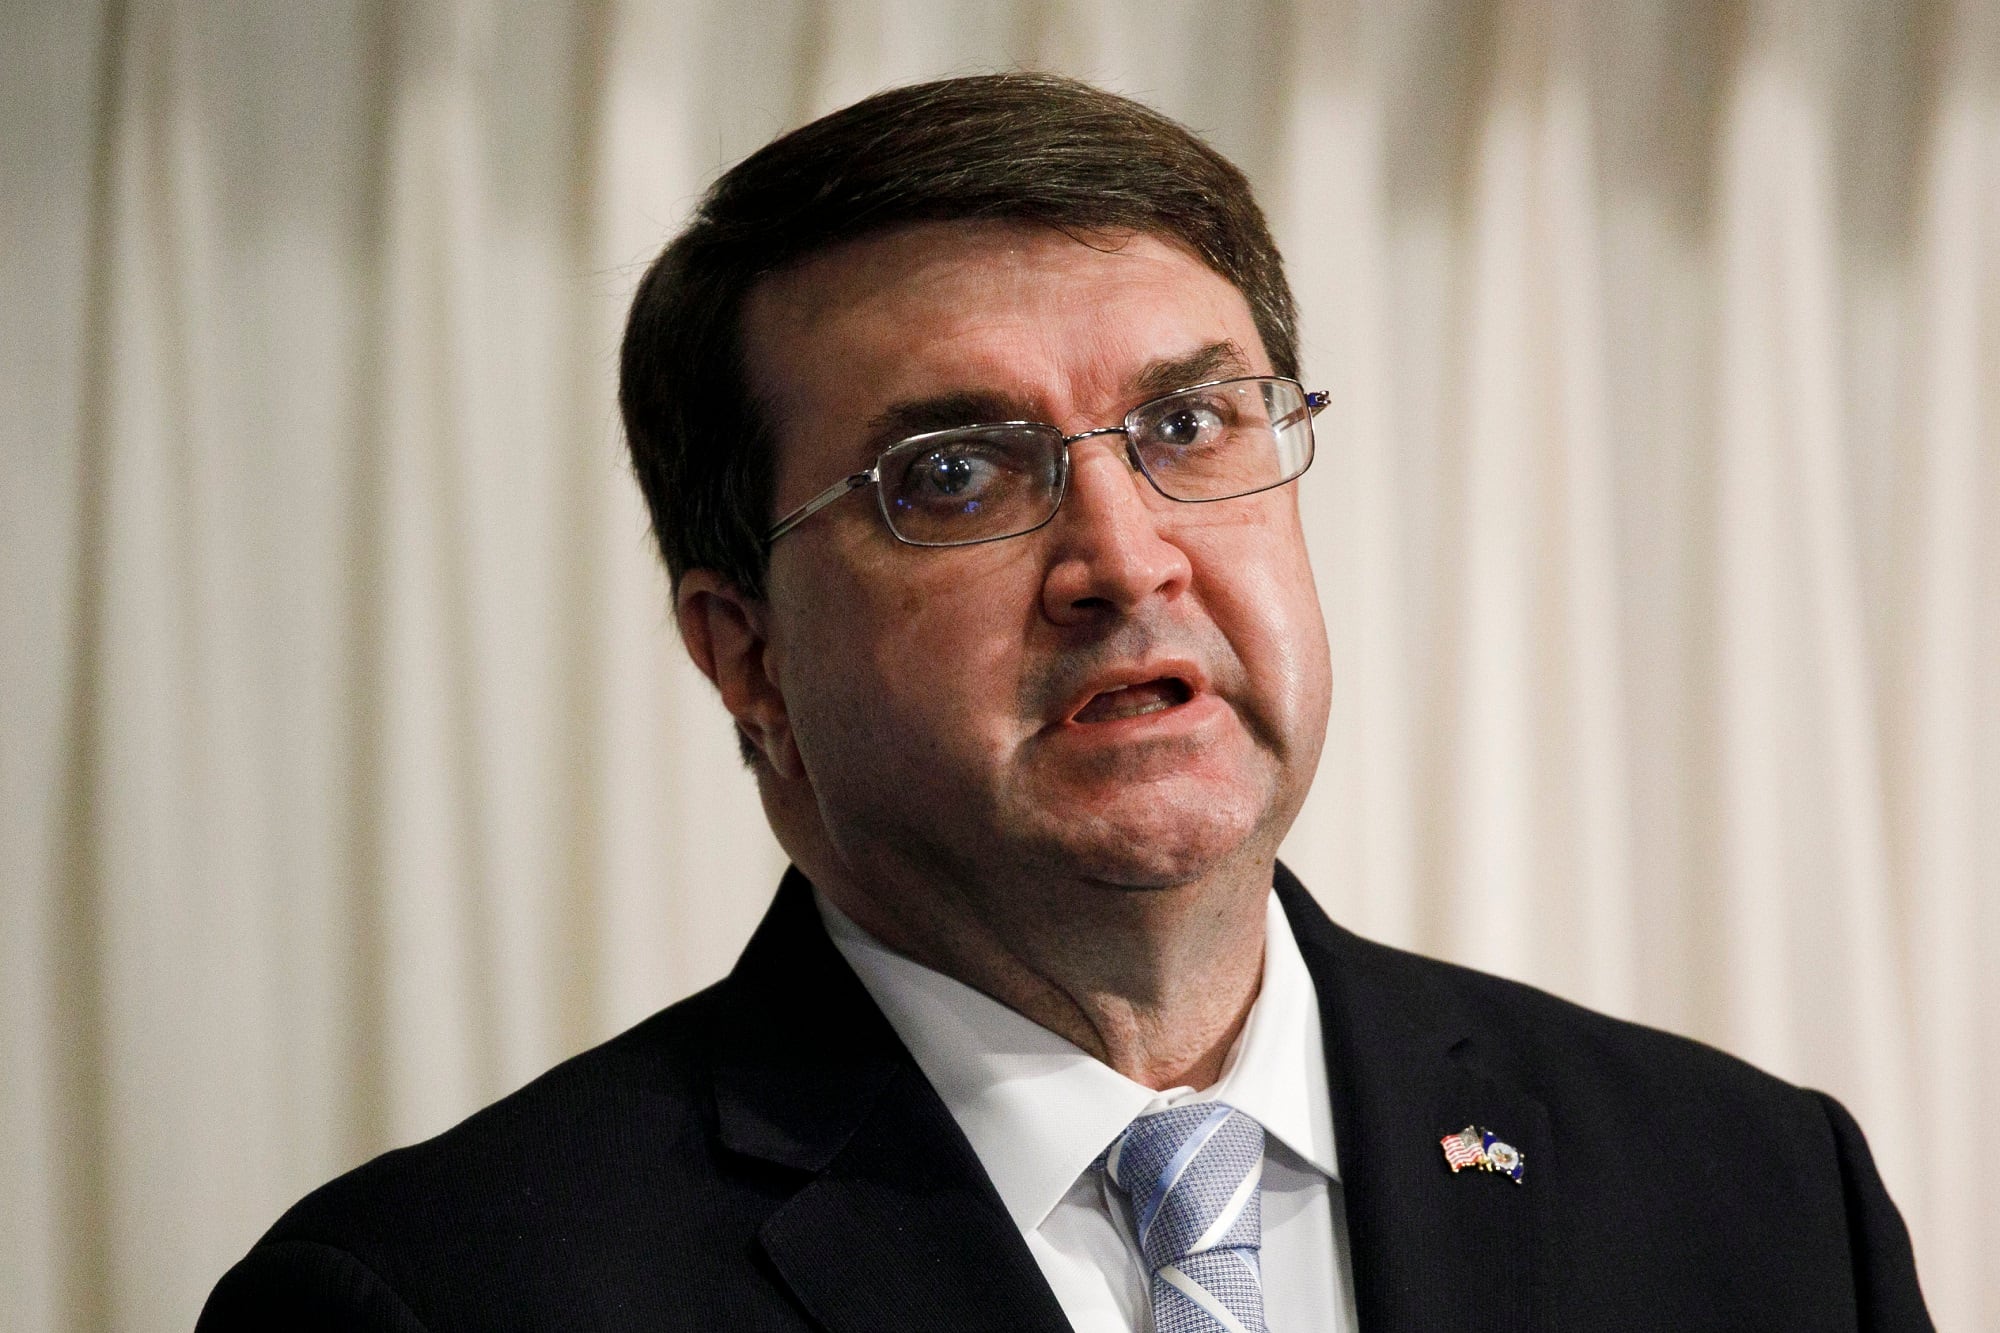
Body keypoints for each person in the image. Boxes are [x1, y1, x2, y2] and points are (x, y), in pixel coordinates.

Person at [198, 73, 1930, 1332]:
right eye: (955, 473)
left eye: (1190, 427)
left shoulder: (1758, 1200)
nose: (1126, 555)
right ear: (745, 652)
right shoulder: (440, 1298)